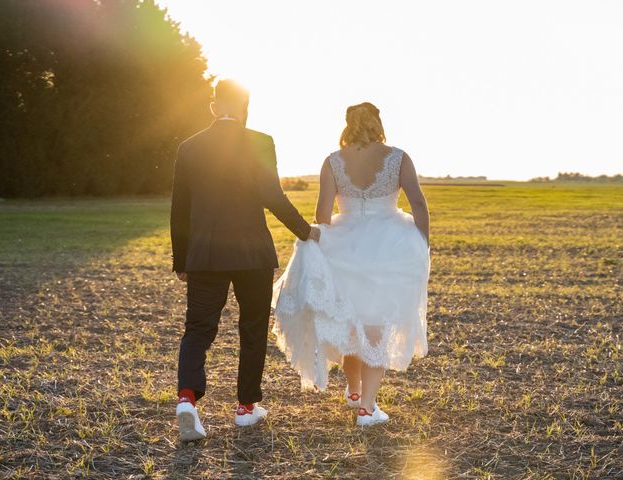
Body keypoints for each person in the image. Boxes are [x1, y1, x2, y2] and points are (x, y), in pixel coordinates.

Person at [170, 79, 320, 440]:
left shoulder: (189, 147)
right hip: (253, 254)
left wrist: (181, 260)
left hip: (204, 255)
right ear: (245, 106)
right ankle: (246, 407)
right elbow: (273, 195)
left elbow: (180, 211)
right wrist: (306, 231)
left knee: (198, 329)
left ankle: (188, 399)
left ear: (213, 106)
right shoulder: (261, 142)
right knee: (252, 328)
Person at [272, 102, 430, 426]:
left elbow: (322, 215)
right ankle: (367, 410)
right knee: (375, 326)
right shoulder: (399, 157)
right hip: (390, 247)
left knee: (351, 323)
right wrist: (422, 244)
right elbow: (418, 203)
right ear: (377, 122)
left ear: (348, 125)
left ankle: (354, 391)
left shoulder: (332, 161)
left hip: (342, 246)